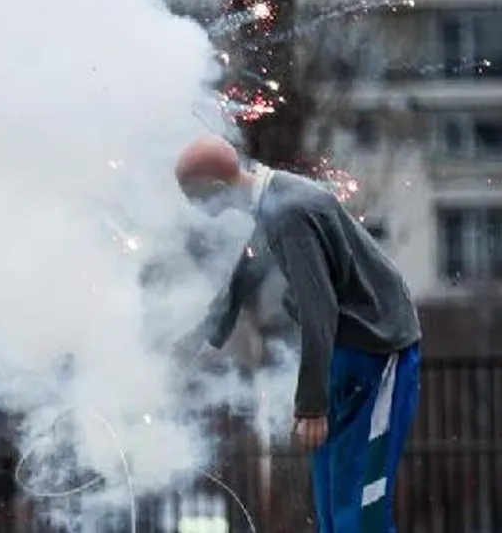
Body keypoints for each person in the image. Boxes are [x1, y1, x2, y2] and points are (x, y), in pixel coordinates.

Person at [175, 136, 422, 533]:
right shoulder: (275, 197)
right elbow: (249, 266)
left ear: (216, 189)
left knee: (359, 505)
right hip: (348, 353)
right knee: (333, 502)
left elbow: (317, 307)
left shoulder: (288, 213)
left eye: (195, 198)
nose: (196, 210)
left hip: (376, 352)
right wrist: (205, 333)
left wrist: (312, 407)